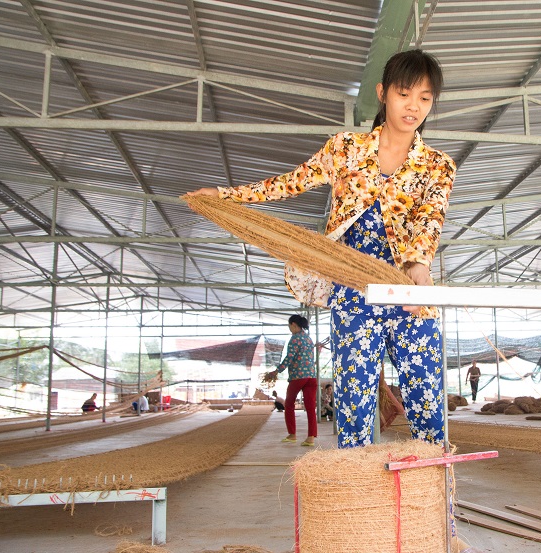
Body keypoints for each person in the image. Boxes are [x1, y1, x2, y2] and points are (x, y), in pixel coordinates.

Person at [187, 49, 455, 449]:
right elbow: (289, 182)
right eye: (404, 94)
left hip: (408, 291)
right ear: (383, 93)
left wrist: (417, 267)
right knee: (354, 406)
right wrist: (227, 195)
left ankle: (434, 501)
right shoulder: (345, 148)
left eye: (424, 97)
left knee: (427, 400)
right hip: (353, 290)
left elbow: (429, 222)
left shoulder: (438, 165)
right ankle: (353, 503)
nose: (413, 106)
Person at [267, 314, 318, 447]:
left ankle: (292, 435)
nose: (290, 329)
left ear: (294, 325)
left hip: (298, 376)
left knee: (289, 404)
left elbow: (289, 359)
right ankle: (311, 438)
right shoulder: (308, 338)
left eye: (290, 326)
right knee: (311, 407)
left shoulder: (295, 339)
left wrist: (276, 371)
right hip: (311, 376)